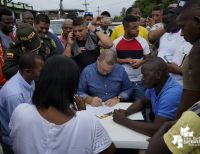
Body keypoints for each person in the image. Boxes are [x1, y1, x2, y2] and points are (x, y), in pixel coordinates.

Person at [9, 55, 116, 154]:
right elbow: (109, 150)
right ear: (72, 86)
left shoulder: (21, 112)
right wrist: (83, 113)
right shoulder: (87, 120)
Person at [148, 1, 200, 153]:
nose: (182, 33)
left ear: (197, 21)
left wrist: (166, 126)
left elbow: (156, 150)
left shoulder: (194, 119)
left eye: (190, 67)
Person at [113, 57, 182, 137]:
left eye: (145, 75)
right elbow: (142, 102)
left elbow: (156, 130)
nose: (142, 79)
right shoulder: (155, 85)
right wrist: (126, 112)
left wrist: (124, 121)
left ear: (158, 74)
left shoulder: (172, 94)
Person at [0, 53, 43, 154]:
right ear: (27, 71)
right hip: (14, 142)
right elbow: (18, 128)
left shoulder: (29, 79)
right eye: (40, 71)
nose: (43, 73)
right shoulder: (14, 95)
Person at [112, 15, 150, 101]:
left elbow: (148, 59)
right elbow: (112, 60)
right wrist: (125, 60)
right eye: (134, 28)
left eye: (138, 27)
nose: (137, 30)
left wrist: (141, 62)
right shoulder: (116, 42)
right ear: (125, 28)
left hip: (139, 81)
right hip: (121, 82)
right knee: (122, 107)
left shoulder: (143, 41)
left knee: (140, 109)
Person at [157, 7, 192, 85]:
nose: (165, 26)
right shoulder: (164, 35)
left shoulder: (186, 36)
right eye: (164, 23)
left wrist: (157, 65)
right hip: (163, 82)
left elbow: (175, 67)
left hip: (178, 83)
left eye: (168, 22)